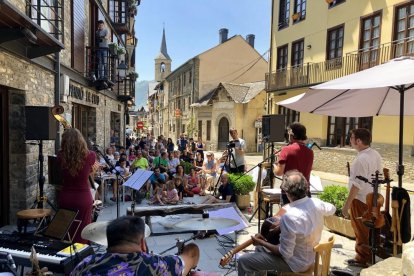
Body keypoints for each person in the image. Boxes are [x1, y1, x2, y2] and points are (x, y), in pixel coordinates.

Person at [237, 170, 336, 275]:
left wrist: (261, 242)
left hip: (295, 264)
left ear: (287, 193)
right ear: (306, 188)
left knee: (244, 261)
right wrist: (263, 244)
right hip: (309, 257)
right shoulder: (317, 203)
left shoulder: (290, 217)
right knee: (260, 248)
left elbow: (284, 254)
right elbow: (333, 209)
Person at [71, 216, 199, 275]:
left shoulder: (87, 263)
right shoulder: (157, 265)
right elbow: (191, 254)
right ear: (143, 243)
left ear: (108, 243)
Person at [341, 128, 382, 268]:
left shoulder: (361, 159)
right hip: (373, 197)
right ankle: (368, 256)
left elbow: (356, 185)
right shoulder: (375, 154)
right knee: (368, 229)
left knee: (360, 230)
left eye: (351, 138)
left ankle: (361, 258)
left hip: (361, 199)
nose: (350, 140)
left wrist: (346, 205)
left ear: (358, 141)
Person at [57, 128, 96, 244]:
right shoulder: (91, 155)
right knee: (83, 231)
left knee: (67, 230)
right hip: (83, 198)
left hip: (66, 196)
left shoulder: (60, 156)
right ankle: (81, 257)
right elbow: (91, 171)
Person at [273, 122, 314, 204]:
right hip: (305, 191)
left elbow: (279, 172)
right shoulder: (310, 152)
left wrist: (275, 164)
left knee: (289, 216)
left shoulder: (286, 149)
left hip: (289, 193)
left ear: (292, 135)